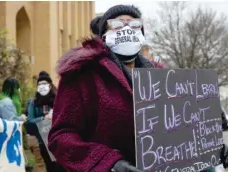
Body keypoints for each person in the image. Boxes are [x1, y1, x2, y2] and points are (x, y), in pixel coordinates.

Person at [48, 5, 155, 172]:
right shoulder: (81, 74)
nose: (127, 29)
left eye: (134, 25)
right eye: (118, 25)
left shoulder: (161, 78)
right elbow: (61, 137)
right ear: (104, 35)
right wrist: (109, 164)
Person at [25, 71, 61, 172]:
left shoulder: (57, 99)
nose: (42, 86)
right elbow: (30, 120)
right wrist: (43, 119)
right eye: (39, 84)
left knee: (60, 166)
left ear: (50, 85)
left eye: (44, 84)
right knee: (49, 165)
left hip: (57, 138)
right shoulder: (33, 102)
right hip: (42, 139)